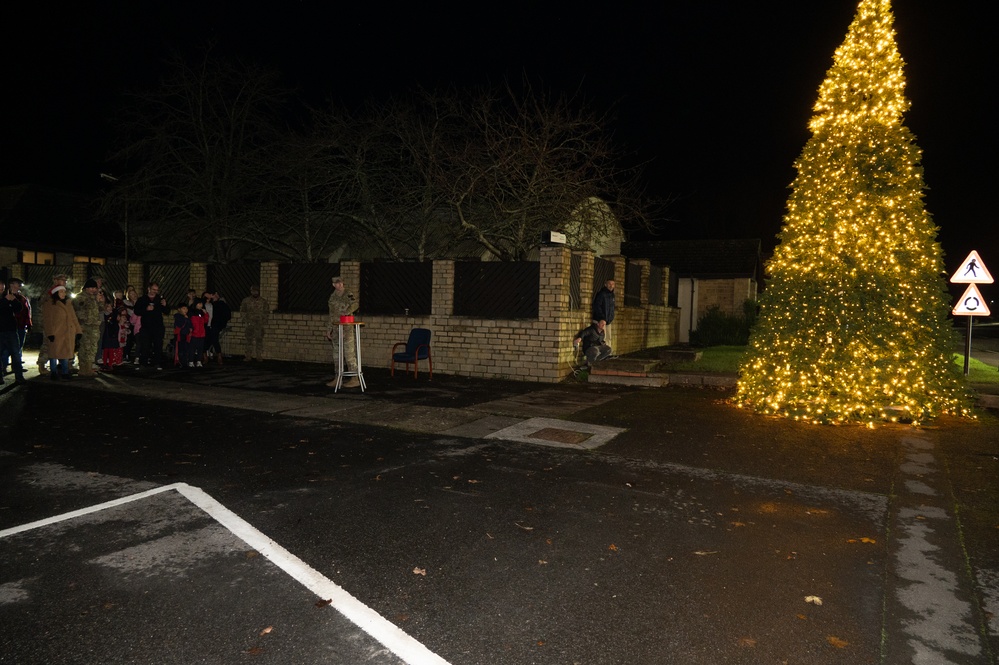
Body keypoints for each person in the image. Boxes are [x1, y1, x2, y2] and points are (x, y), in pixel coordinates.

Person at [324, 276, 360, 388]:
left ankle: (354, 378)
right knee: (336, 355)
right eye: (336, 283)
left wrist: (347, 312)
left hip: (346, 328)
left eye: (340, 283)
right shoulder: (333, 296)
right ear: (333, 285)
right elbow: (331, 314)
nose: (339, 285)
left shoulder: (348, 294)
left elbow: (355, 304)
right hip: (335, 328)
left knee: (349, 354)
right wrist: (328, 329)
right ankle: (338, 378)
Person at [42, 284, 82, 380]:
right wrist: (50, 333)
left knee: (66, 352)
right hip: (57, 333)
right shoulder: (50, 304)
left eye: (64, 291)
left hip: (68, 333)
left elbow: (73, 318)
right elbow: (47, 320)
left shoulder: (68, 303)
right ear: (56, 293)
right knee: (54, 353)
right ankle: (54, 372)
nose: (64, 293)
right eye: (61, 291)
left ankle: (65, 372)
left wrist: (78, 330)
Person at [36, 274, 69, 374]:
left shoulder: (65, 292)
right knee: (48, 344)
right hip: (51, 324)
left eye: (65, 280)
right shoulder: (49, 294)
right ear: (55, 281)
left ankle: (63, 365)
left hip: (62, 324)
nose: (64, 282)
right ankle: (42, 364)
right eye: (62, 280)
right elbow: (44, 309)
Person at [73, 278, 103, 377]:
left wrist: (100, 302)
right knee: (84, 347)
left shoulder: (94, 298)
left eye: (94, 288)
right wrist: (82, 323)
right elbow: (78, 311)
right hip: (85, 326)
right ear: (86, 288)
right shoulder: (80, 297)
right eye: (91, 288)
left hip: (94, 326)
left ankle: (89, 367)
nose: (93, 290)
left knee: (93, 347)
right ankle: (83, 368)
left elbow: (100, 309)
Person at [133, 282, 168, 368]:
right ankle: (143, 363)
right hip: (146, 326)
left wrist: (165, 305)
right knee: (145, 345)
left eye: (157, 290)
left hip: (158, 326)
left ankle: (157, 363)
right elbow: (136, 311)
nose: (155, 292)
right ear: (149, 289)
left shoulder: (159, 300)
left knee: (158, 345)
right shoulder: (142, 299)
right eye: (153, 289)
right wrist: (146, 309)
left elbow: (167, 311)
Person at [1, 277, 30, 379]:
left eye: (2, 289)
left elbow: (19, 308)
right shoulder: (4, 298)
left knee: (16, 353)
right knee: (2, 353)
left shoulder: (11, 297)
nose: (2, 291)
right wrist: (5, 300)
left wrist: (13, 300)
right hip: (2, 330)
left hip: (11, 329)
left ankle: (19, 376)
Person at [240, 285, 269, 361]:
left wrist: (263, 321)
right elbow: (243, 311)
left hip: (259, 324)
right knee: (248, 340)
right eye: (253, 291)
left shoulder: (263, 301)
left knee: (259, 340)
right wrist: (246, 320)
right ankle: (248, 356)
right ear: (251, 291)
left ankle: (259, 356)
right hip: (250, 324)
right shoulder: (246, 301)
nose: (255, 292)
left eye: (256, 291)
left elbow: (266, 312)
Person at [207, 290, 231, 365]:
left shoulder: (221, 304)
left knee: (214, 339)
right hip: (208, 325)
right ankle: (205, 355)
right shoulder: (208, 304)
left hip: (216, 325)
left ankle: (218, 356)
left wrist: (220, 323)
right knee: (208, 340)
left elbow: (227, 315)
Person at [591, 278, 616, 346]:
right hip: (601, 320)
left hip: (608, 320)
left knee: (608, 337)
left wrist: (611, 317)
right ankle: (602, 353)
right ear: (605, 285)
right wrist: (602, 318)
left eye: (613, 284)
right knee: (602, 337)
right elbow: (597, 306)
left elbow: (612, 308)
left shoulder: (612, 295)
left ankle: (608, 353)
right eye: (609, 284)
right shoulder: (601, 294)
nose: (611, 286)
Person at [189, 299, 208, 367]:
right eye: (199, 304)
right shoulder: (191, 312)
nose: (200, 305)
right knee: (192, 348)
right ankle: (191, 361)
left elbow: (205, 321)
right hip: (194, 334)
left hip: (201, 334)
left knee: (200, 349)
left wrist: (206, 314)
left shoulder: (202, 313)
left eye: (201, 304)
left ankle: (199, 361)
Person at [172, 303, 192, 367]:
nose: (185, 310)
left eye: (186, 308)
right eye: (184, 308)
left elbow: (191, 326)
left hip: (186, 335)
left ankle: (185, 362)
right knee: (180, 349)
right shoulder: (178, 317)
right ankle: (179, 361)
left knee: (186, 349)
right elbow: (180, 325)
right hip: (180, 335)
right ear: (179, 309)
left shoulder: (187, 317)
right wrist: (186, 319)